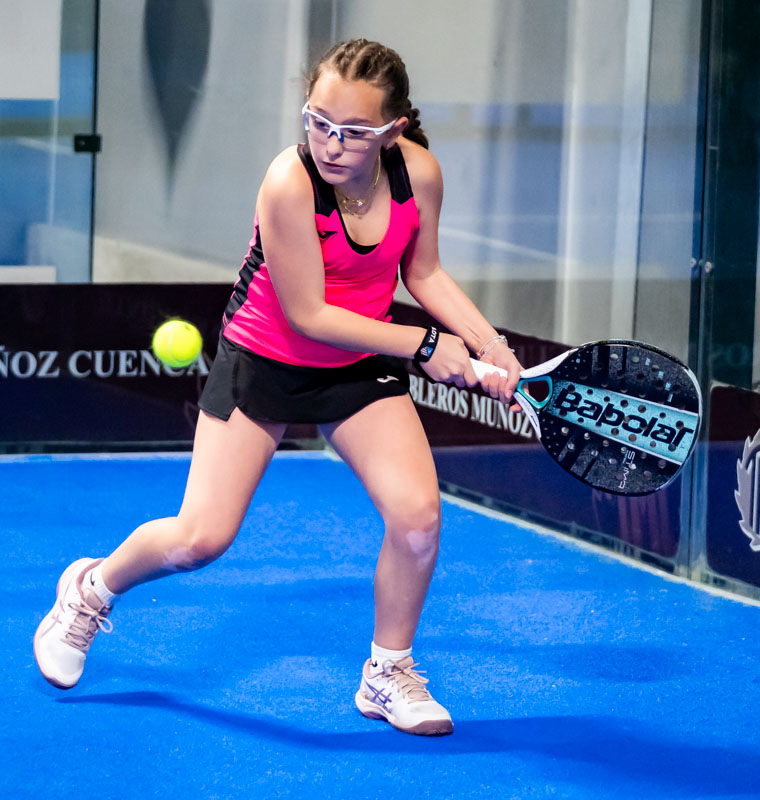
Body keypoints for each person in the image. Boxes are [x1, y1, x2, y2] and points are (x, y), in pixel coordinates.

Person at [34, 38, 522, 737]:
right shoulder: (288, 183)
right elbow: (310, 315)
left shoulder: (419, 173)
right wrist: (424, 346)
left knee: (418, 518)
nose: (331, 143)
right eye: (318, 121)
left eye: (354, 131)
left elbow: (424, 274)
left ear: (394, 130)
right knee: (200, 540)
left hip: (356, 366)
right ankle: (89, 590)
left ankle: (388, 672)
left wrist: (489, 345)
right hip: (264, 360)